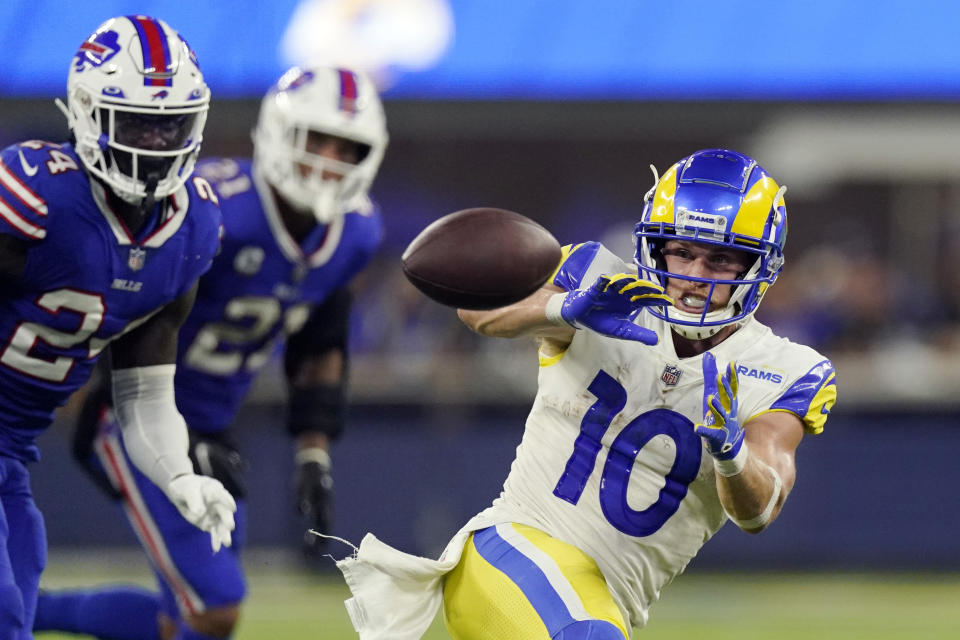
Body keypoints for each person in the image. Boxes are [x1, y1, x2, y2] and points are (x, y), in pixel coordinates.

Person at [331, 148, 837, 639]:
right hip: (510, 552)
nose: (694, 277)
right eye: (681, 251)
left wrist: (731, 453)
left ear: (757, 267)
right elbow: (477, 309)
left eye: (720, 260)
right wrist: (562, 310)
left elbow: (760, 510)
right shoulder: (599, 280)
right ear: (656, 246)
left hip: (596, 605)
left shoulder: (787, 369)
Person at [34, 65, 389, 640]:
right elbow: (129, 307)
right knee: (215, 605)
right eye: (315, 139)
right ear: (278, 134)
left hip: (215, 433)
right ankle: (22, 612)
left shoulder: (357, 233)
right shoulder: (215, 209)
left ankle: (23, 610)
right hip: (135, 419)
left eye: (346, 147)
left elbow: (320, 343)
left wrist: (312, 453)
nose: (328, 160)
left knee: (187, 618)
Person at [0, 14, 237, 640]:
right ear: (85, 112)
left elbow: (144, 395)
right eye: (134, 122)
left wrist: (180, 476)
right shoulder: (38, 196)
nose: (153, 143)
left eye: (170, 126)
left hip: (10, 456)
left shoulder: (191, 232)